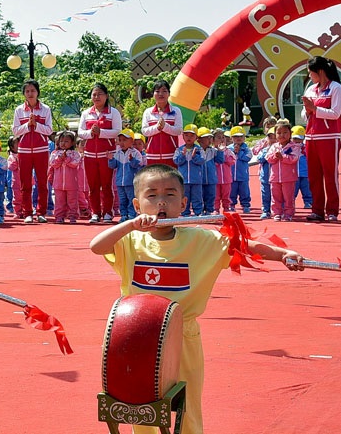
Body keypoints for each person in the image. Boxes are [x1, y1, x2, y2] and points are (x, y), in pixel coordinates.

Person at [89, 164, 304, 434]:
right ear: (137, 203)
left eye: (169, 194)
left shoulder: (203, 240)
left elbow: (245, 247)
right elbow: (97, 246)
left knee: (185, 405)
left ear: (183, 202)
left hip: (183, 334)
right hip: (136, 336)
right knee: (140, 404)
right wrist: (130, 225)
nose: (161, 202)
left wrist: (283, 254)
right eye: (151, 196)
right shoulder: (130, 240)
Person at [300, 56, 341, 222]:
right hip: (311, 137)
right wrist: (308, 111)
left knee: (330, 175)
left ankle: (332, 210)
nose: (310, 76)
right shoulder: (311, 89)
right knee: (314, 176)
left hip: (329, 137)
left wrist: (315, 108)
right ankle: (317, 210)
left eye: (311, 73)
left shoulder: (336, 88)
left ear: (319, 71)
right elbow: (304, 115)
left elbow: (336, 113)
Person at [78, 83, 122, 224]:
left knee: (107, 185)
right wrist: (90, 133)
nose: (96, 97)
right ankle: (95, 212)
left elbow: (117, 131)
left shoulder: (113, 112)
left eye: (100, 94)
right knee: (93, 186)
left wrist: (101, 133)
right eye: (94, 94)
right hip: (90, 155)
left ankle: (108, 212)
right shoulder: (86, 113)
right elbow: (80, 132)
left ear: (106, 96)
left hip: (107, 154)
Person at [13, 79, 52, 224]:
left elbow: (49, 130)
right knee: (25, 183)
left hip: (41, 149)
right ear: (24, 94)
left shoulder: (45, 109)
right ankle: (27, 212)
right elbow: (15, 131)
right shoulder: (19, 110)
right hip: (24, 151)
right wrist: (27, 125)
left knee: (42, 182)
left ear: (38, 92)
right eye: (27, 91)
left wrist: (36, 125)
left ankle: (41, 212)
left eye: (33, 91)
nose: (30, 94)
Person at [141, 79, 183, 167]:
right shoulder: (148, 112)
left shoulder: (176, 111)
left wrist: (165, 126)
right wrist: (157, 128)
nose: (161, 94)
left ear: (169, 93)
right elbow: (144, 131)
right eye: (157, 91)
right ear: (153, 94)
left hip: (171, 154)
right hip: (152, 155)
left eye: (164, 91)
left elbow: (179, 131)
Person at [266, 119, 301, 222]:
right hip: (275, 177)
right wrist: (275, 156)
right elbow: (268, 158)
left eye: (285, 132)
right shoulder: (274, 146)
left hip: (288, 177)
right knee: (275, 196)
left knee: (288, 197)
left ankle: (288, 213)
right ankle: (277, 213)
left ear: (290, 134)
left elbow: (294, 158)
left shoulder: (294, 146)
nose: (282, 135)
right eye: (279, 133)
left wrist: (283, 157)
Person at [108, 129, 142, 223]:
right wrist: (111, 159)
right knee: (122, 200)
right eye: (120, 140)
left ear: (131, 141)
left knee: (131, 199)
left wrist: (132, 160)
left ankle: (132, 215)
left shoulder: (135, 153)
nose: (122, 142)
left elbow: (137, 165)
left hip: (131, 182)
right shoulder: (117, 153)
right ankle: (123, 215)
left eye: (125, 140)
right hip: (120, 182)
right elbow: (112, 166)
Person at [50, 131, 82, 224]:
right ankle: (59, 216)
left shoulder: (75, 154)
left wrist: (67, 159)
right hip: (58, 183)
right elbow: (52, 164)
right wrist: (59, 158)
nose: (63, 143)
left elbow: (75, 164)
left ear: (72, 143)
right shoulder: (55, 153)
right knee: (59, 201)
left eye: (66, 141)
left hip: (71, 183)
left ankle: (73, 216)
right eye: (61, 141)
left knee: (72, 201)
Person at [173, 124, 205, 217]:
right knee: (185, 197)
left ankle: (198, 212)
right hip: (183, 179)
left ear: (196, 137)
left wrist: (195, 156)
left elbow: (202, 160)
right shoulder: (179, 149)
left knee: (197, 196)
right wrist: (182, 155)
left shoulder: (199, 149)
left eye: (192, 135)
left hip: (196, 179)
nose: (189, 138)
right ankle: (185, 212)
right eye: (186, 135)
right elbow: (176, 161)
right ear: (183, 136)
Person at [197, 127, 222, 216]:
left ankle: (209, 210)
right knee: (200, 195)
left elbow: (220, 160)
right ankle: (200, 211)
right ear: (199, 139)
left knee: (211, 195)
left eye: (210, 137)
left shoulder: (213, 150)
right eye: (207, 137)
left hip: (211, 178)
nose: (209, 139)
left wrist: (219, 151)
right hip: (200, 179)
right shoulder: (196, 150)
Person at [229, 126, 252, 213]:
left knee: (244, 192)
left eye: (240, 136)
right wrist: (234, 152)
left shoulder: (246, 149)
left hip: (243, 176)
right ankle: (231, 205)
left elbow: (247, 158)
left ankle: (245, 205)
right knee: (231, 192)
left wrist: (240, 152)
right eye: (235, 136)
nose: (238, 138)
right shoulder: (229, 148)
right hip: (231, 176)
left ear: (244, 138)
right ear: (231, 138)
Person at [256, 127, 276, 219]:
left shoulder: (280, 149)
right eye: (270, 137)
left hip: (276, 177)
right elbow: (259, 159)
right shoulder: (264, 150)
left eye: (274, 137)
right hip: (265, 177)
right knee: (266, 195)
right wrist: (267, 152)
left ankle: (278, 211)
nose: (272, 140)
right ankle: (266, 210)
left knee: (277, 195)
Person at [213, 128, 235, 213]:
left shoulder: (228, 150)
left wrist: (224, 157)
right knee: (216, 195)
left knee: (226, 195)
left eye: (223, 137)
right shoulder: (212, 151)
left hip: (226, 178)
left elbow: (233, 160)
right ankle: (216, 209)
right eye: (219, 138)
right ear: (213, 140)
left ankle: (226, 208)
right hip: (216, 179)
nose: (222, 140)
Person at [291, 126, 313, 210]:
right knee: (293, 191)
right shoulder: (290, 148)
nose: (297, 141)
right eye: (295, 138)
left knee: (307, 189)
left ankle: (308, 202)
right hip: (293, 174)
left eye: (299, 139)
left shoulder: (306, 148)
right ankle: (291, 203)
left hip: (305, 173)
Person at [6, 136, 22, 219]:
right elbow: (11, 167)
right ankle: (18, 212)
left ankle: (27, 211)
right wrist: (17, 161)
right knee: (17, 198)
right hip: (16, 181)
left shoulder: (25, 154)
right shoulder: (11, 157)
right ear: (12, 147)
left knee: (27, 197)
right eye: (18, 143)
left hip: (27, 180)